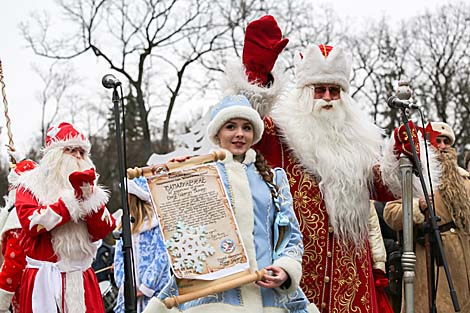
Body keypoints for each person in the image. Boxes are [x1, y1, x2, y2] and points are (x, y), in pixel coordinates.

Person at [221, 15, 407, 313]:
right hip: (296, 268)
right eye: (319, 90)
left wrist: (401, 156)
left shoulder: (360, 144)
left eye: (335, 91)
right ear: (305, 93)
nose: (328, 98)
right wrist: (256, 75)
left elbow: (387, 189)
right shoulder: (280, 134)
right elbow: (244, 126)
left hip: (351, 273)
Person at [145, 95, 314, 312]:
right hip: (214, 298)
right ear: (217, 133)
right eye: (231, 127)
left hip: (267, 297)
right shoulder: (198, 177)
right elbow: (181, 237)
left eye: (246, 127)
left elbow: (291, 236)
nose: (239, 134)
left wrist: (285, 269)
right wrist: (177, 178)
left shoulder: (273, 179)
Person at [14, 122, 116, 313]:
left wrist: (90, 200)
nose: (78, 156)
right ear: (55, 154)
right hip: (44, 281)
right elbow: (32, 223)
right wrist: (70, 202)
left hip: (81, 278)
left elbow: (104, 228)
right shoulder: (30, 186)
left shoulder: (91, 190)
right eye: (71, 150)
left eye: (82, 152)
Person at [383, 121, 470, 313]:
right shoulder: (414, 177)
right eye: (437, 140)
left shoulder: (465, 180)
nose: (442, 146)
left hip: (463, 260)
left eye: (446, 141)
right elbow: (390, 214)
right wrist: (418, 206)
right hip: (428, 258)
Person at [113, 177, 170, 313]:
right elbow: (119, 260)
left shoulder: (156, 226)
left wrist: (145, 286)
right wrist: (125, 287)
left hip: (155, 294)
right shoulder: (124, 227)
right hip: (130, 299)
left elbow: (161, 257)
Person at [0, 158, 37, 313]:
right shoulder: (43, 211)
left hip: (26, 292)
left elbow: (13, 265)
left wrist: (1, 303)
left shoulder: (18, 217)